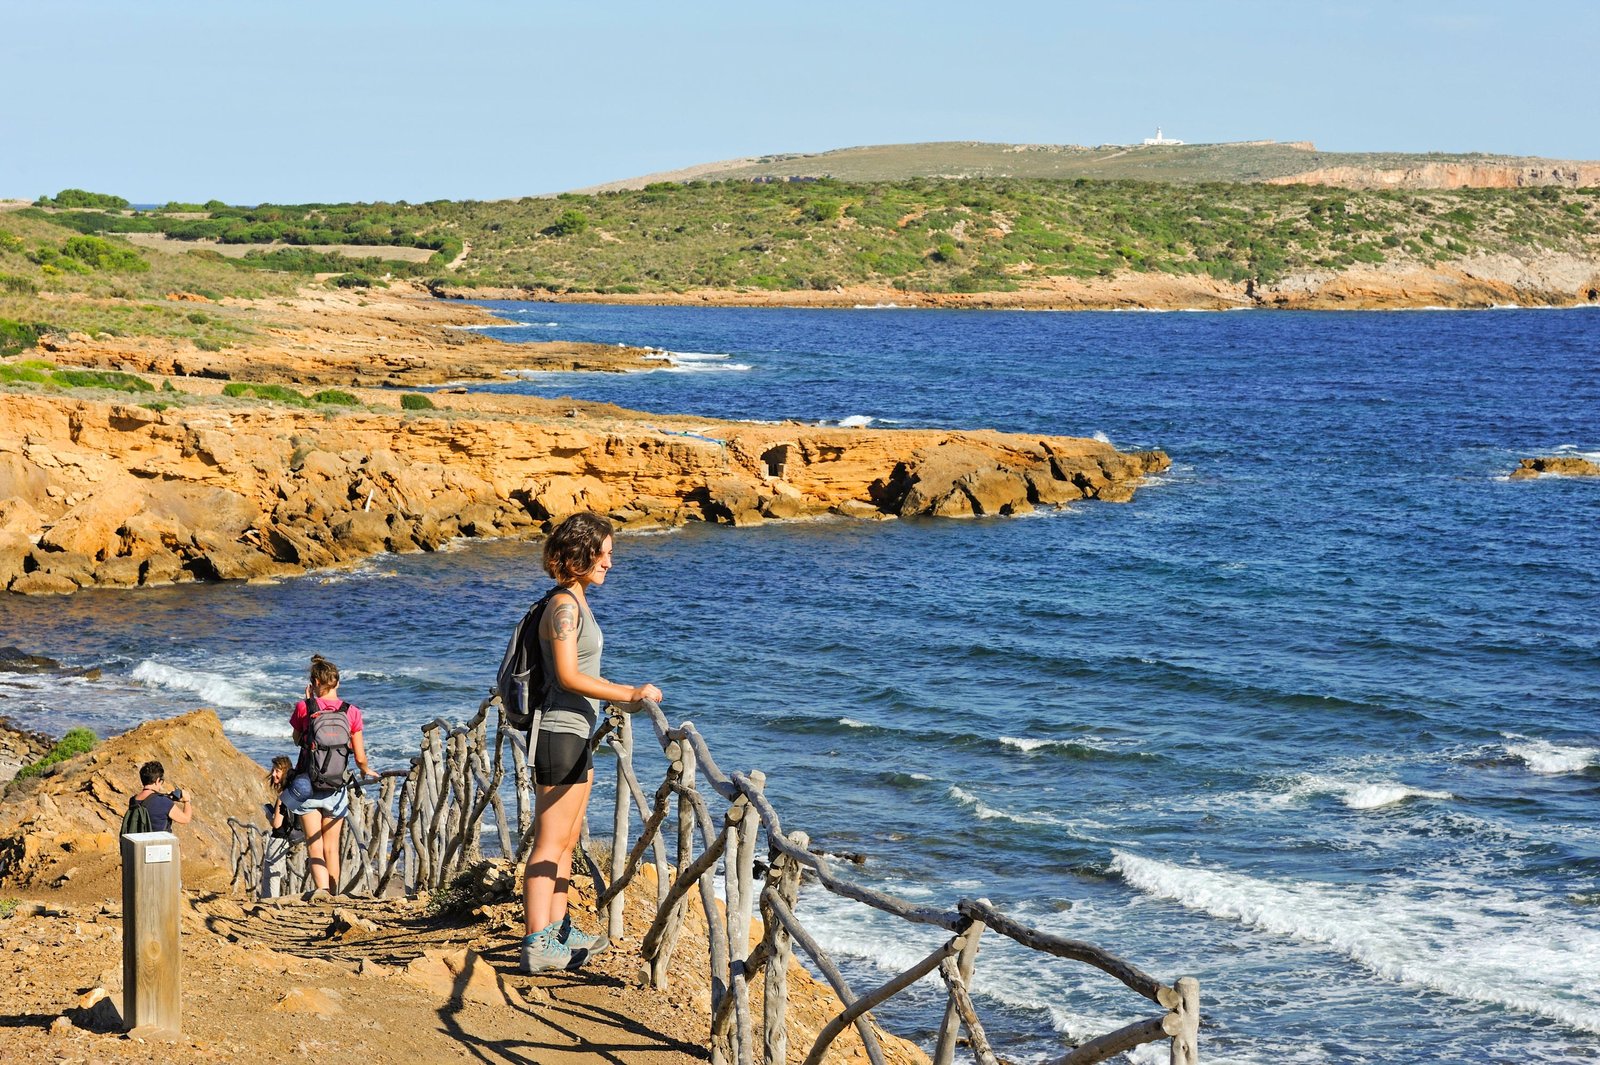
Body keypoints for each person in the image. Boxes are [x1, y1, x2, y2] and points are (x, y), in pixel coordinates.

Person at [521, 511, 663, 973]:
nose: (609, 563)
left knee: (566, 842)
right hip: (560, 732)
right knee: (549, 842)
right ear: (580, 554)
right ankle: (537, 941)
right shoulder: (563, 605)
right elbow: (567, 675)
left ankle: (557, 931)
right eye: (603, 554)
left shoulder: (576, 601)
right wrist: (630, 694)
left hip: (577, 731)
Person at [284, 654, 373, 896]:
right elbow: (360, 755)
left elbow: (296, 740)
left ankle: (321, 894)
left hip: (309, 786)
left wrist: (308, 704)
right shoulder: (351, 712)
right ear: (338, 682)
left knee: (315, 847)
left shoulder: (304, 707)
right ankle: (334, 895)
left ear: (313, 683)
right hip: (336, 788)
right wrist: (366, 770)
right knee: (332, 848)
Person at [260, 755, 296, 898]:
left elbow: (277, 823)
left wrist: (269, 815)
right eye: (273, 770)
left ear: (285, 772)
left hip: (278, 840)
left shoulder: (283, 795)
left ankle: (269, 906)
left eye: (278, 771)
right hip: (290, 839)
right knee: (279, 876)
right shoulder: (294, 792)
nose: (273, 774)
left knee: (271, 877)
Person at [130, 760, 194, 832]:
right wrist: (187, 801)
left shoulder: (133, 800)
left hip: (140, 842)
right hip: (160, 842)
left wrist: (166, 797)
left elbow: (151, 803)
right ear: (157, 780)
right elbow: (186, 819)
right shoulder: (163, 802)